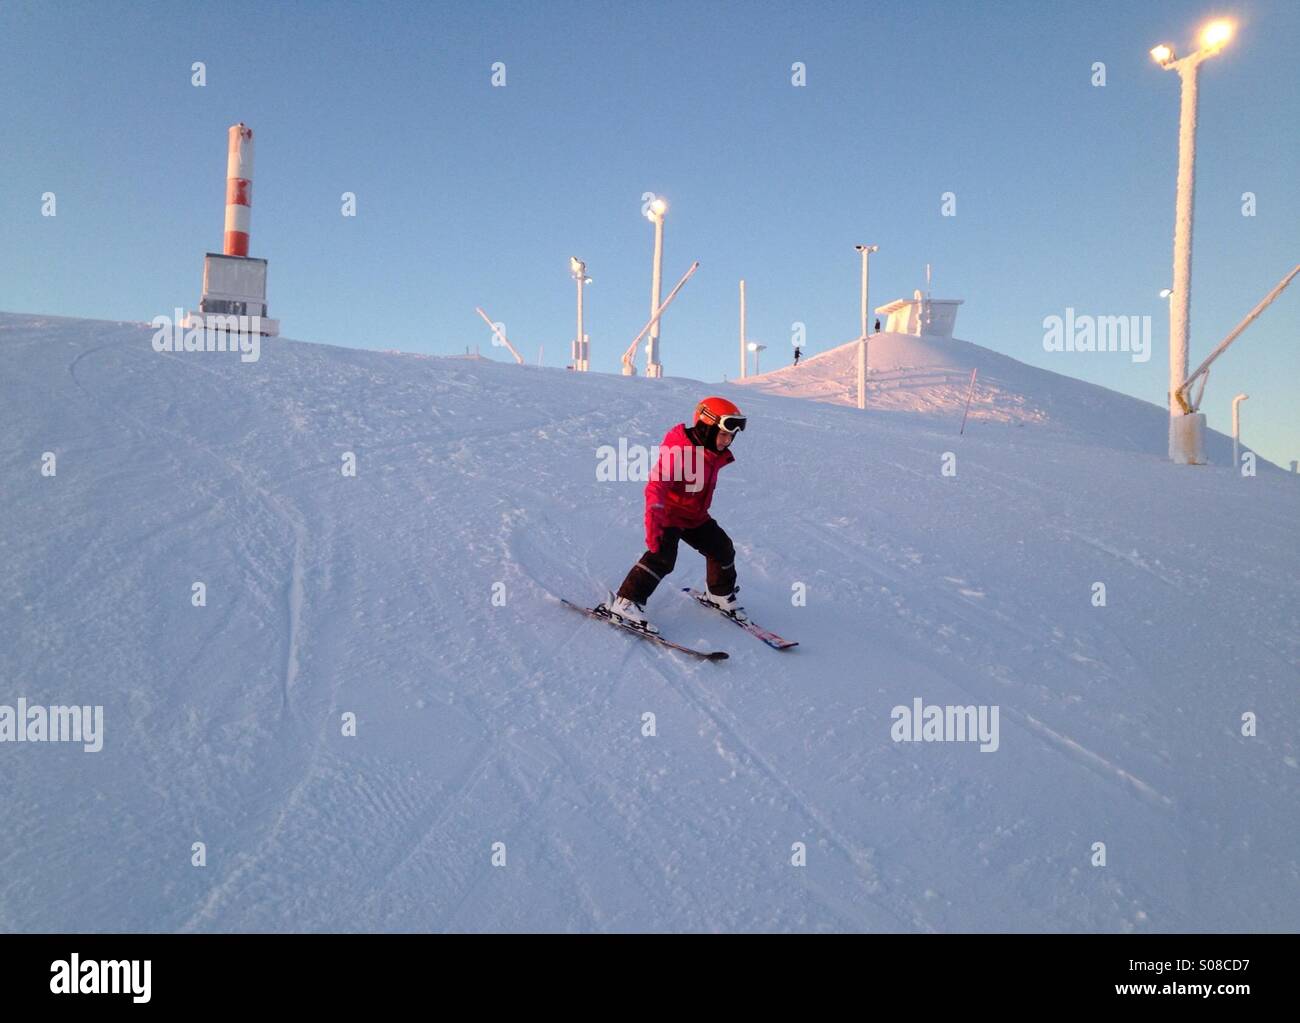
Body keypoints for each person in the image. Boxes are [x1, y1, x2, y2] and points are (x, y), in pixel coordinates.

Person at [609, 397, 748, 634]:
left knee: (722, 548)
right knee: (662, 557)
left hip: (695, 515)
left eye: (731, 436)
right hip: (670, 514)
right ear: (706, 426)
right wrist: (655, 520)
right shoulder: (680, 451)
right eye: (723, 434)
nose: (728, 441)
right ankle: (626, 601)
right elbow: (656, 486)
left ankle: (719, 593)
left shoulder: (711, 450)